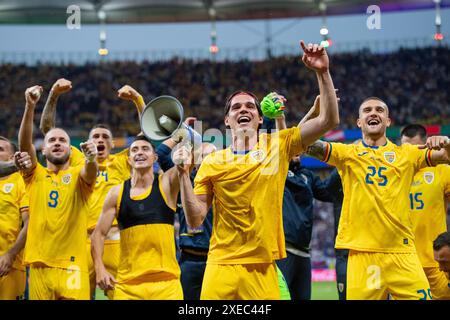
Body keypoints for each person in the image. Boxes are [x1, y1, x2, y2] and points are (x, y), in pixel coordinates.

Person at [175, 41, 339, 299]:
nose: (243, 110)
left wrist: (322, 72)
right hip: (220, 266)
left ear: (260, 118)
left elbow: (328, 120)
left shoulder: (279, 144)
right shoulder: (213, 162)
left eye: (250, 106)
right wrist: (184, 175)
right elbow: (195, 220)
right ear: (227, 122)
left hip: (263, 268)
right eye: (236, 108)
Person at [305, 96, 450, 299]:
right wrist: (313, 114)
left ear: (388, 121)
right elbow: (302, 141)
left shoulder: (406, 154)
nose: (373, 113)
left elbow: (446, 156)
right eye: (367, 110)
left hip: (402, 253)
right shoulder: (347, 153)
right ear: (359, 122)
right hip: (362, 255)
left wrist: (446, 143)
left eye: (379, 110)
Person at [39, 79, 145, 299]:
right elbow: (48, 130)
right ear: (87, 143)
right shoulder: (78, 159)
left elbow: (150, 135)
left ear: (113, 143)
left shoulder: (123, 161)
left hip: (115, 242)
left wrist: (137, 98)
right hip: (79, 245)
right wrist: (54, 94)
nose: (99, 140)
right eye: (95, 137)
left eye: (105, 137)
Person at [18, 85, 98, 300]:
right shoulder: (35, 175)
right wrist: (29, 106)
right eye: (52, 140)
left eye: (62, 140)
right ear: (43, 150)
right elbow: (25, 145)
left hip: (72, 266)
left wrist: (91, 158)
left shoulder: (78, 175)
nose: (57, 143)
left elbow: (91, 173)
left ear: (70, 150)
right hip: (39, 266)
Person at [91, 135, 183, 300]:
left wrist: (183, 134)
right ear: (129, 159)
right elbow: (98, 234)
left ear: (155, 157)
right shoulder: (116, 193)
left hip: (167, 284)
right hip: (128, 286)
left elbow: (188, 160)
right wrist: (99, 268)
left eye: (145, 149)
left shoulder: (167, 183)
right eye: (134, 150)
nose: (139, 153)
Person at [266, 94, 336, 300]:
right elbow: (286, 139)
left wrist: (344, 165)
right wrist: (286, 117)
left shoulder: (308, 175)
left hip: (305, 253)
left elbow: (327, 193)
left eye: (299, 147)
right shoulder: (277, 169)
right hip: (282, 251)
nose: (295, 149)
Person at [155, 118, 215, 300]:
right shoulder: (183, 179)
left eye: (211, 156)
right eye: (203, 156)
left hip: (216, 260)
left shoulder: (223, 184)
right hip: (187, 260)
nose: (207, 160)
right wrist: (182, 133)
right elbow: (162, 153)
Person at [401, 124, 450, 300]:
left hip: (436, 262)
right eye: (404, 147)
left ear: (425, 145)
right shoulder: (396, 173)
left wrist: (447, 145)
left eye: (413, 147)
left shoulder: (441, 170)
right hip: (404, 261)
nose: (409, 152)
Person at [0, 138, 31, 300]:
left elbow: (29, 224)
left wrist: (10, 255)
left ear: (13, 158)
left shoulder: (21, 182)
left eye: (0, 149)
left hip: (8, 265)